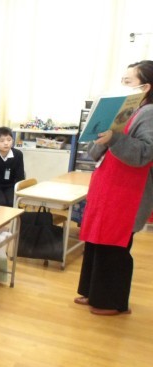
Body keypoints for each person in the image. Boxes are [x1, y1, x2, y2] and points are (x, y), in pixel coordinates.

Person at [75, 60, 153, 316]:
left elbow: (145, 153)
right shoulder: (127, 109)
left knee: (114, 245)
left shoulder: (149, 112)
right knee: (96, 239)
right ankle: (92, 292)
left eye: (128, 81)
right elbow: (95, 149)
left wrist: (114, 137)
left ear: (145, 87)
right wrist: (99, 134)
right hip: (107, 186)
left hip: (127, 192)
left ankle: (111, 301)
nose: (123, 85)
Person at [0, 126, 25, 206]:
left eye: (9, 140)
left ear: (12, 141)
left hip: (11, 186)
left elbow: (20, 177)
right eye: (2, 141)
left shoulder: (18, 154)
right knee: (1, 202)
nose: (6, 143)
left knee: (11, 202)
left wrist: (19, 193)